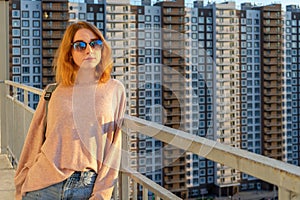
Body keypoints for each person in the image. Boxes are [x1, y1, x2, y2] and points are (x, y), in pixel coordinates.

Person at [14, 21, 126, 200]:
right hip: (42, 186)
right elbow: (33, 139)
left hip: (86, 186)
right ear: (70, 53)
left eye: (95, 43)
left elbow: (114, 147)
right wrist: (21, 186)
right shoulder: (52, 92)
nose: (89, 50)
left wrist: (101, 194)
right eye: (80, 46)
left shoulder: (114, 89)